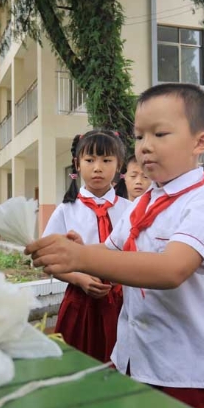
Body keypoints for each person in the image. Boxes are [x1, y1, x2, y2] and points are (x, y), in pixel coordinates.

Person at [26, 83, 204, 408]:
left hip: (188, 373)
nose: (146, 147)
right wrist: (71, 251)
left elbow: (171, 269)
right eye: (139, 137)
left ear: (200, 142)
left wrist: (81, 258)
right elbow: (109, 252)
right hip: (135, 361)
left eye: (160, 133)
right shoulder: (141, 205)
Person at [42, 130, 131, 361]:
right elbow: (47, 261)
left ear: (119, 165)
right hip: (80, 304)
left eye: (106, 160)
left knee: (120, 371)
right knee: (77, 367)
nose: (97, 167)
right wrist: (78, 278)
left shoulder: (130, 210)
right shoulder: (65, 210)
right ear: (77, 165)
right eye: (90, 160)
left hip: (123, 304)